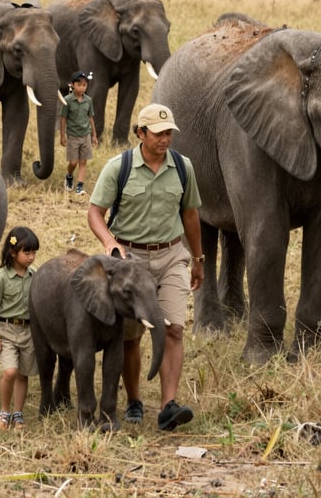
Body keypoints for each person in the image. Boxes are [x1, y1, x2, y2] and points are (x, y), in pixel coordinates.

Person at [87, 103, 204, 431]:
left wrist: (198, 259)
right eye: (158, 133)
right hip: (131, 261)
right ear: (140, 133)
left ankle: (168, 406)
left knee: (174, 328)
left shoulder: (183, 167)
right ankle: (134, 399)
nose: (165, 139)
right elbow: (95, 212)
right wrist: (110, 242)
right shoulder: (119, 167)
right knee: (131, 335)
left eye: (169, 133)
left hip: (171, 256)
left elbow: (190, 215)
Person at [0, 226, 40, 431]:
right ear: (13, 253)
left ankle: (18, 414)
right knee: (10, 371)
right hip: (6, 331)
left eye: (34, 252)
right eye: (27, 252)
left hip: (28, 332)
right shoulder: (0, 277)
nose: (31, 257)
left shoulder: (35, 275)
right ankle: (4, 411)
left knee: (23, 374)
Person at [60, 70, 98, 196]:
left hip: (85, 135)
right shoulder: (67, 100)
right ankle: (69, 175)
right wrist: (62, 136)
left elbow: (90, 117)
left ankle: (80, 186)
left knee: (83, 161)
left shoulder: (88, 100)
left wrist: (94, 135)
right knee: (73, 162)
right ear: (72, 85)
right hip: (72, 136)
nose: (82, 87)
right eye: (79, 85)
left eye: (84, 85)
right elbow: (63, 118)